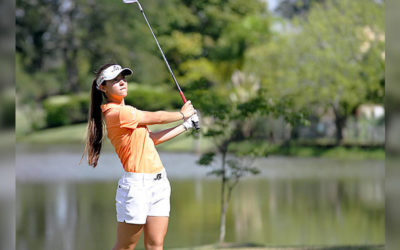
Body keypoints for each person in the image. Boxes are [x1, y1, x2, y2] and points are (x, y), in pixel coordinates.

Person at [82, 63, 198, 250]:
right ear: (103, 87)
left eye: (123, 79)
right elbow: (157, 117)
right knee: (126, 246)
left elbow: (151, 139)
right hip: (136, 187)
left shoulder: (128, 113)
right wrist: (181, 114)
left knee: (155, 245)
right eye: (115, 80)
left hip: (159, 182)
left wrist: (186, 125)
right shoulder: (117, 113)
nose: (122, 83)